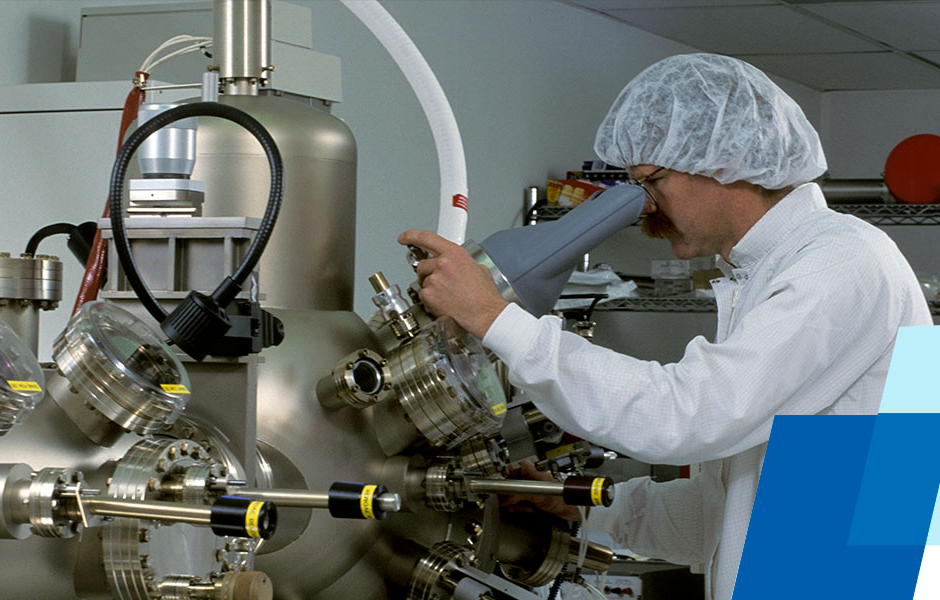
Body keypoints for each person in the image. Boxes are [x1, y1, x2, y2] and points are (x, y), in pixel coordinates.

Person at [398, 53, 931, 600]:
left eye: (651, 183)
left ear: (727, 162)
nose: (642, 209)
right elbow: (717, 516)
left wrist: (495, 318)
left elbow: (684, 415)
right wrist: (577, 502)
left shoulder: (841, 263)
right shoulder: (772, 272)